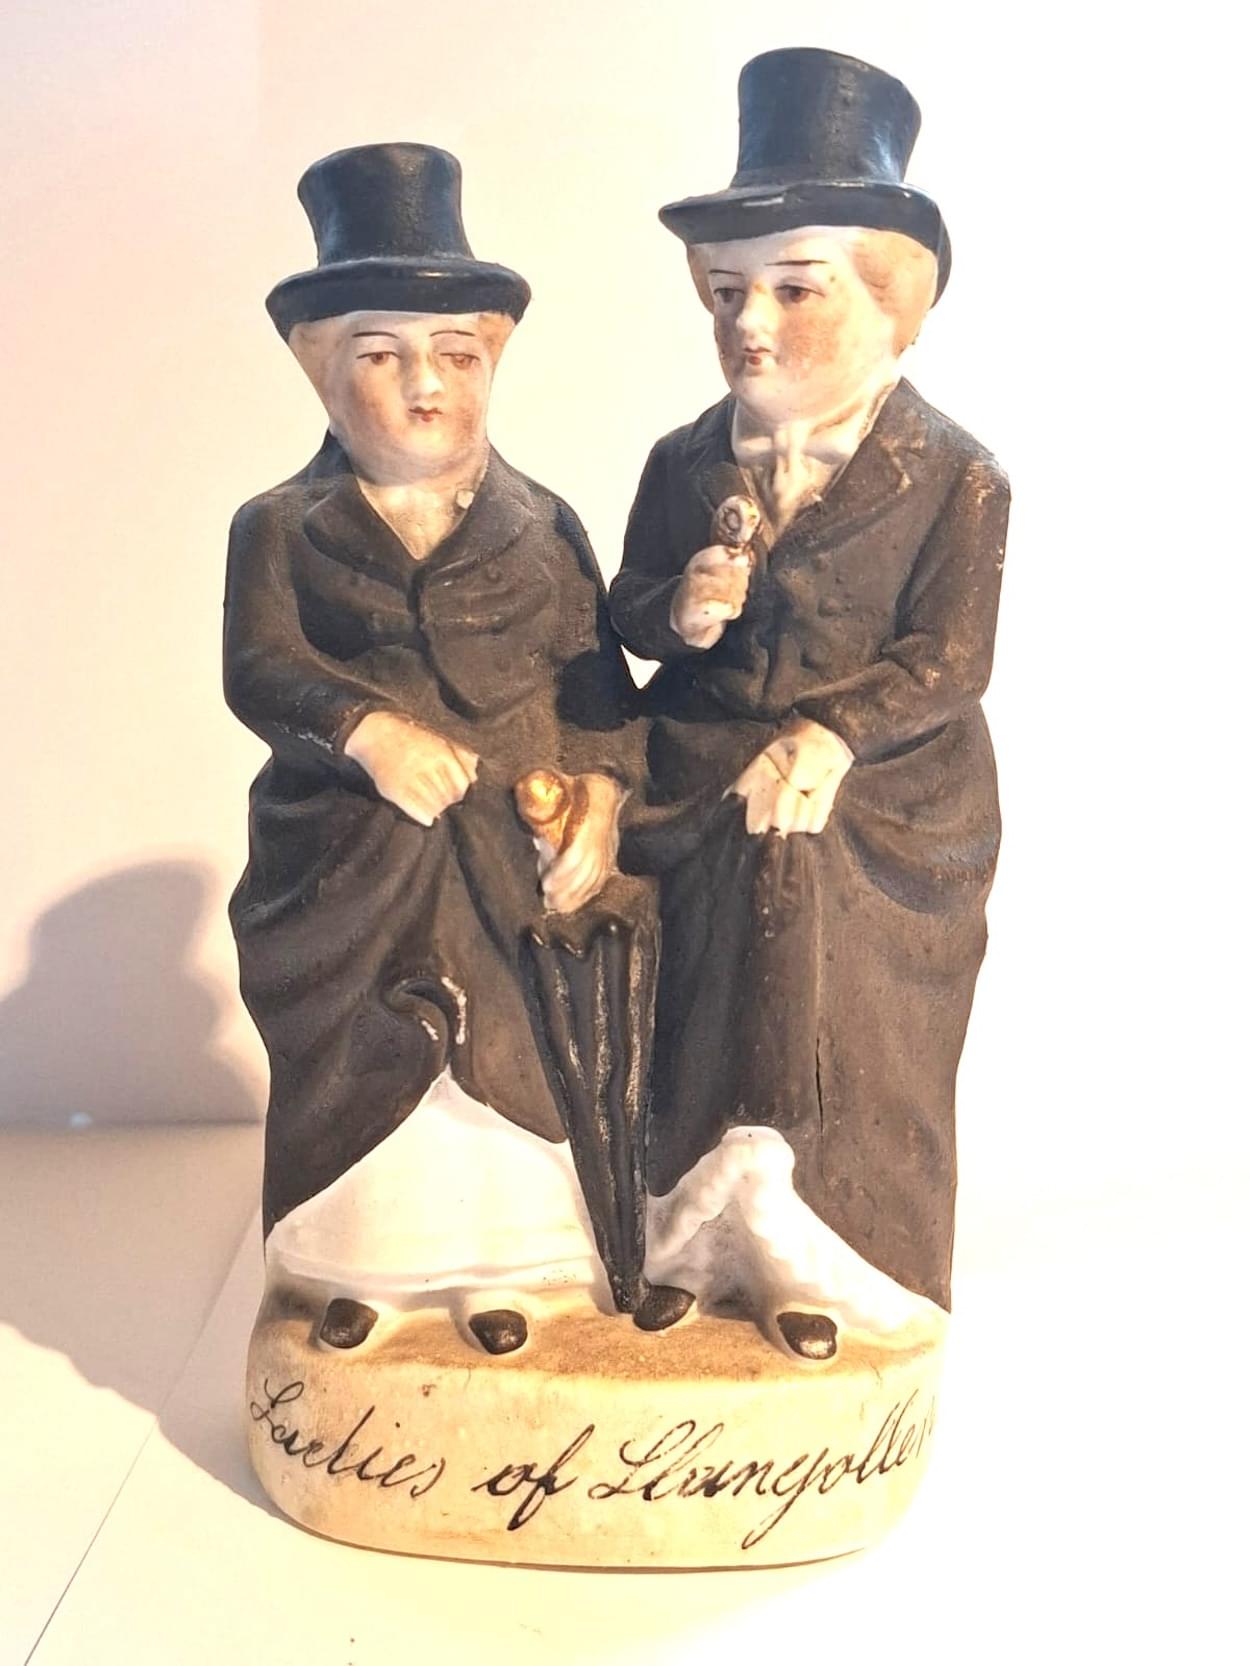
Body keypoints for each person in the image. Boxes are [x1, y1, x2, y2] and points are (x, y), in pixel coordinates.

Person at [610, 50, 1010, 1360]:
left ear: (894, 301)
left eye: (794, 288)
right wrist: (680, 610)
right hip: (701, 766)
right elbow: (622, 608)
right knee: (688, 982)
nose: (749, 323)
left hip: (885, 796)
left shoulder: (953, 475)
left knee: (822, 965)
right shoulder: (684, 459)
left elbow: (950, 659)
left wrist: (830, 734)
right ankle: (682, 1240)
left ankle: (828, 1260)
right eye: (727, 291)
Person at [226, 144, 641, 1357]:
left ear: (490, 360)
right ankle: (351, 1263)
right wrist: (363, 732)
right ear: (317, 365)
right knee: (367, 1042)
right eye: (380, 355)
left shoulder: (542, 523)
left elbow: (598, 691)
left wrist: (600, 800)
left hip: (508, 848)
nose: (423, 386)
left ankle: (509, 1266)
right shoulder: (279, 526)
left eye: (454, 355)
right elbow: (258, 667)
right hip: (352, 855)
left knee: (508, 1047)